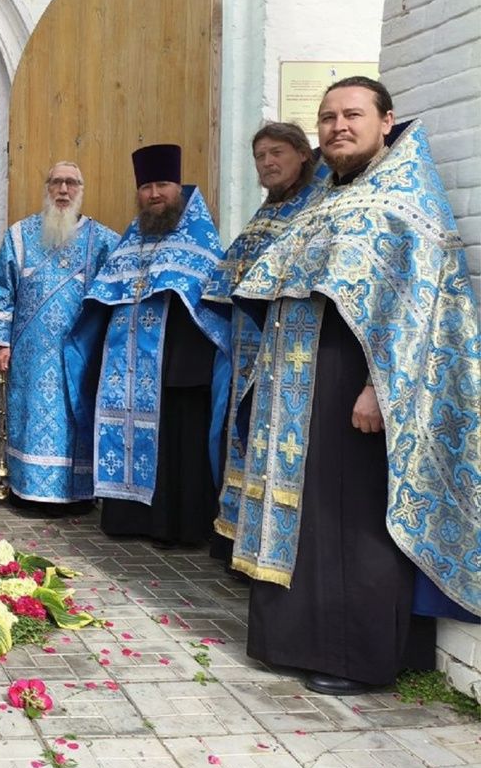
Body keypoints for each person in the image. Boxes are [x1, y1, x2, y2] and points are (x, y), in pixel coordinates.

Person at [233, 77, 481, 695]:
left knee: (354, 521)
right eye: (327, 117)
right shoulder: (330, 197)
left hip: (357, 381)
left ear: (387, 122)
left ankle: (354, 657)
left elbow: (415, 308)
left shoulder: (403, 199)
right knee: (314, 514)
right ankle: (291, 639)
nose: (338, 126)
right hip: (301, 379)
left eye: (352, 115)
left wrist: (377, 387)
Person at [68, 144, 230, 549]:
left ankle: (183, 527)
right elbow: (106, 292)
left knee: (182, 445)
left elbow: (212, 300)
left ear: (179, 188)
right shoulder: (131, 241)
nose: (154, 194)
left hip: (183, 367)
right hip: (133, 368)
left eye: (163, 185)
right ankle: (131, 519)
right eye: (146, 187)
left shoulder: (201, 239)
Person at [204, 123, 323, 568]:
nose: (268, 163)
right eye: (260, 156)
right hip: (248, 347)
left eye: (277, 153)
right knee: (242, 435)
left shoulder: (314, 207)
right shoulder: (267, 211)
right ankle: (238, 535)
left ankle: (272, 545)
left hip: (287, 348)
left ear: (302, 156)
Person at [0, 162, 118, 508]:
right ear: (47, 187)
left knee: (73, 419)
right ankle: (26, 491)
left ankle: (77, 494)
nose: (64, 190)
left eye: (71, 183)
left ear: (81, 189)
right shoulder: (20, 235)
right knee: (28, 419)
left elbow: (116, 294)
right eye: (57, 182)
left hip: (80, 355)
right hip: (29, 355)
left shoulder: (103, 241)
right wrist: (0, 343)